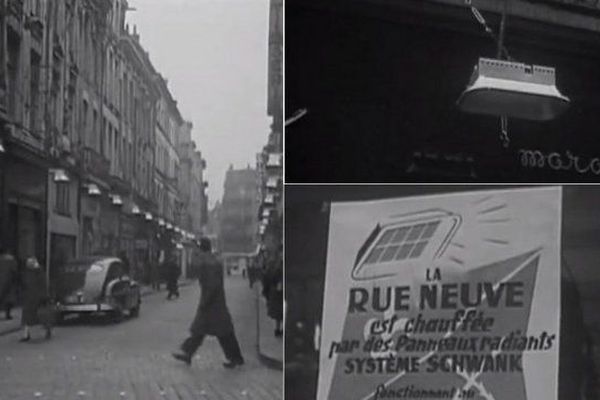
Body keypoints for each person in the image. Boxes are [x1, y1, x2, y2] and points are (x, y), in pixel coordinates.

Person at [172, 238, 244, 368]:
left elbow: (211, 284)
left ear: (201, 248)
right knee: (207, 330)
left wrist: (206, 300)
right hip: (215, 302)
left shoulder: (208, 262)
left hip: (212, 303)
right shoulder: (211, 260)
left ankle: (235, 357)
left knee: (220, 332)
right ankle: (188, 353)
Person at [20, 257, 52, 342]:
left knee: (41, 316)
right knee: (27, 317)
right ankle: (26, 334)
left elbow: (43, 285)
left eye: (30, 263)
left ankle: (47, 330)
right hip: (29, 298)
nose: (28, 265)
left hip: (38, 298)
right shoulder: (28, 273)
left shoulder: (39, 272)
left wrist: (43, 296)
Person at [262, 249, 283, 337]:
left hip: (275, 290)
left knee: (279, 313)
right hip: (278, 290)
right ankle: (278, 330)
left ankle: (278, 329)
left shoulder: (274, 264)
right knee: (279, 312)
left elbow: (267, 277)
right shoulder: (277, 265)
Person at [0, 247, 17, 320]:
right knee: (8, 299)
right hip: (9, 281)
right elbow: (14, 270)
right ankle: (7, 314)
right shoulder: (11, 259)